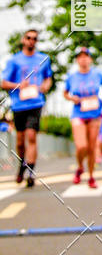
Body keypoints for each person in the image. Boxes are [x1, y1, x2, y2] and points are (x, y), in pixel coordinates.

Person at [1, 29, 52, 187]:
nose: (31, 41)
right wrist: (18, 85)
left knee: (31, 136)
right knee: (21, 141)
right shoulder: (14, 61)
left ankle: (31, 171)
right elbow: (3, 83)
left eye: (35, 38)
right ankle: (22, 165)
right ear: (23, 39)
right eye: (29, 38)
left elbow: (48, 78)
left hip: (35, 103)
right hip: (18, 105)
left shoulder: (43, 59)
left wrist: (45, 86)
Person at [64, 46, 102, 189]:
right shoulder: (72, 77)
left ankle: (91, 176)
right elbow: (65, 93)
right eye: (80, 57)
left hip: (94, 113)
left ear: (90, 59)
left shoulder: (97, 74)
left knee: (91, 148)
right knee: (82, 146)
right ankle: (79, 167)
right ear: (77, 60)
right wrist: (73, 99)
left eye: (86, 56)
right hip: (78, 113)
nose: (83, 59)